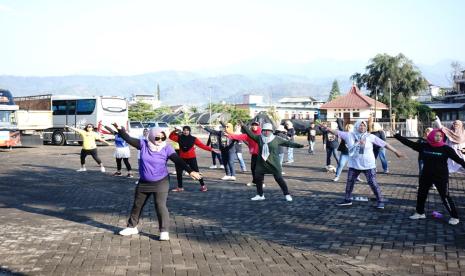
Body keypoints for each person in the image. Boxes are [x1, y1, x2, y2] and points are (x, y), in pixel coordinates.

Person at [112, 123, 202, 240]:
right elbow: (127, 138)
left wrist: (190, 171)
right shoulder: (143, 144)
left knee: (160, 205)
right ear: (151, 136)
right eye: (157, 137)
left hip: (161, 181)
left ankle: (164, 231)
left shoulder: (166, 148)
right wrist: (120, 129)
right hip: (144, 182)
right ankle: (132, 227)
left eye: (163, 137)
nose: (160, 140)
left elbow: (178, 160)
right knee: (137, 205)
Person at [320, 119, 404, 209]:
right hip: (354, 164)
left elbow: (384, 144)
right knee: (350, 182)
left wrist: (396, 151)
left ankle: (380, 201)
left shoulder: (370, 136)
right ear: (356, 126)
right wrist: (327, 128)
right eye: (360, 125)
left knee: (372, 182)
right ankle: (347, 200)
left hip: (368, 164)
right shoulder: (349, 135)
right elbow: (337, 132)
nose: (362, 127)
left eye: (364, 125)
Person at [394, 129, 465, 225]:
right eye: (436, 135)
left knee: (445, 196)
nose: (438, 137)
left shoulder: (446, 149)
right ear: (431, 136)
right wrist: (398, 136)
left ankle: (454, 217)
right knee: (421, 194)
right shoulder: (424, 146)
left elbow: (459, 160)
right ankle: (420, 212)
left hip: (441, 176)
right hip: (426, 175)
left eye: (440, 136)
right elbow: (409, 143)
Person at [241, 122, 304, 202]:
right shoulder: (259, 138)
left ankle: (287, 194)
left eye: (268, 130)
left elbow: (288, 143)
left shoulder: (276, 139)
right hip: (261, 163)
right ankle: (260, 195)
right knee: (258, 178)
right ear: (262, 131)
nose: (266, 132)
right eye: (265, 130)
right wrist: (243, 126)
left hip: (274, 163)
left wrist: (300, 145)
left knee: (279, 179)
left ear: (271, 131)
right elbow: (250, 134)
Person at [169, 125, 217, 192]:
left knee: (196, 172)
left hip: (191, 158)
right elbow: (170, 137)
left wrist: (211, 149)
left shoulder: (193, 139)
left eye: (187, 130)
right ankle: (180, 187)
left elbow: (202, 146)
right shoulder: (179, 137)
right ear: (183, 131)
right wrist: (175, 131)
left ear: (189, 131)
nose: (186, 132)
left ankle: (203, 186)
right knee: (179, 172)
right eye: (184, 130)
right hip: (182, 158)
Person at [225, 121, 262, 187]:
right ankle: (254, 182)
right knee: (253, 168)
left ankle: (261, 182)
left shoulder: (261, 134)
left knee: (259, 169)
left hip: (261, 154)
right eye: (253, 125)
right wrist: (229, 135)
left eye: (256, 125)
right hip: (254, 154)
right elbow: (239, 136)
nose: (254, 126)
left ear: (258, 126)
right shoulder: (249, 134)